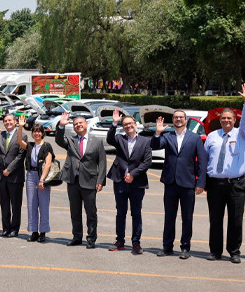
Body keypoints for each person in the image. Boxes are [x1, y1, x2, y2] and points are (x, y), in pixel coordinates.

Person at [204, 83, 245, 263]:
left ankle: (234, 251)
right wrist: (202, 182)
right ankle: (215, 251)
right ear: (220, 120)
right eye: (223, 118)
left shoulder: (242, 134)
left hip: (236, 184)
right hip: (215, 184)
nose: (226, 121)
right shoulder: (212, 136)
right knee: (215, 220)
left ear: (234, 120)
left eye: (229, 118)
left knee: (235, 220)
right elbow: (205, 160)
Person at [152, 110, 208, 259]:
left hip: (188, 183)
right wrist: (157, 132)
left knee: (187, 217)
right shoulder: (167, 136)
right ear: (173, 120)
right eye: (176, 118)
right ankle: (167, 247)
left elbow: (202, 162)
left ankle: (185, 247)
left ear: (186, 120)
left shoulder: (194, 138)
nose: (178, 120)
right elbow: (155, 146)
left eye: (181, 118)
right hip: (170, 182)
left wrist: (201, 182)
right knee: (169, 217)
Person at [55, 113, 107, 249]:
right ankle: (77, 237)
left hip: (90, 180)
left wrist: (100, 180)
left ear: (86, 124)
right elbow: (59, 140)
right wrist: (61, 125)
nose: (78, 125)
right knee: (75, 212)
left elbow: (102, 162)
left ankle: (91, 239)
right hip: (73, 181)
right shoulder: (71, 140)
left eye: (80, 123)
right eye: (75, 124)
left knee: (91, 212)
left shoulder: (96, 141)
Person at [106, 109, 152, 255]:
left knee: (136, 213)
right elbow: (109, 139)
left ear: (135, 125)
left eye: (130, 124)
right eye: (125, 124)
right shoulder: (120, 138)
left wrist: (133, 174)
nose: (128, 126)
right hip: (119, 180)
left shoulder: (145, 141)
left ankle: (136, 243)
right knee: (120, 212)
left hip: (137, 183)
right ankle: (120, 240)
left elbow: (147, 162)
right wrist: (114, 123)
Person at [16, 115, 53, 243]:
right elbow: (19, 141)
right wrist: (20, 126)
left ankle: (43, 232)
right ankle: (33, 231)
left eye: (39, 131)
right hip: (31, 175)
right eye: (34, 131)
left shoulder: (47, 146)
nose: (36, 133)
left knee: (43, 204)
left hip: (42, 176)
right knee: (31, 204)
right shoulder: (30, 146)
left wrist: (42, 179)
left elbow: (48, 163)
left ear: (42, 133)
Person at [0, 114, 27, 238]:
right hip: (1, 176)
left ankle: (14, 229)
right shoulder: (1, 135)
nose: (7, 122)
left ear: (15, 122)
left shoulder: (22, 135)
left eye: (10, 120)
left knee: (16, 205)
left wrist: (10, 169)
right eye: (5, 121)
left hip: (15, 176)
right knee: (4, 204)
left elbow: (21, 155)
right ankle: (5, 228)